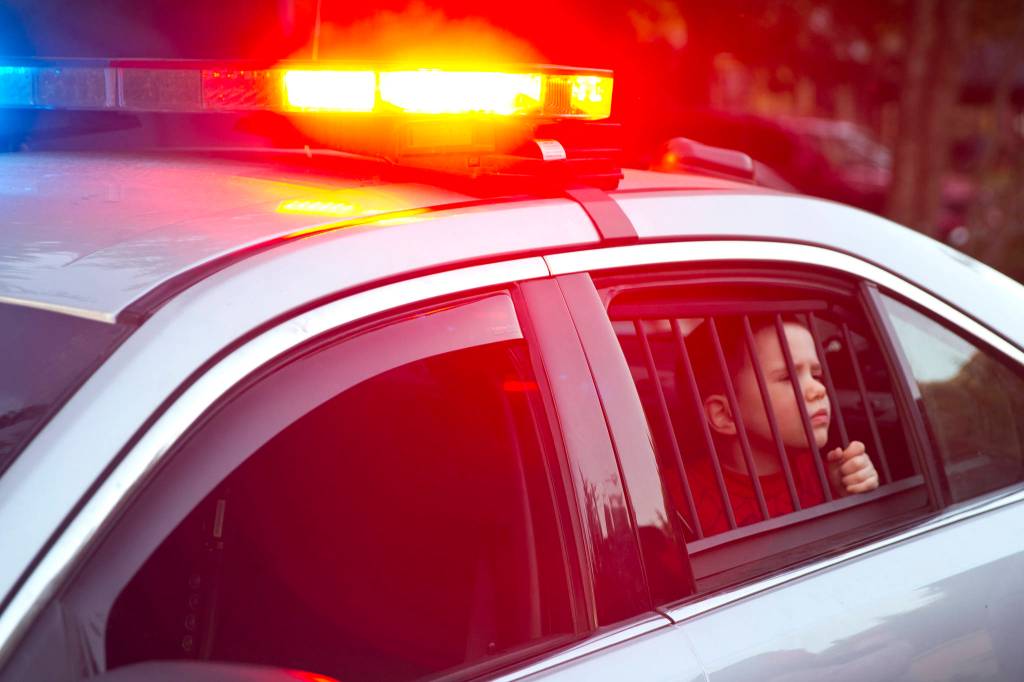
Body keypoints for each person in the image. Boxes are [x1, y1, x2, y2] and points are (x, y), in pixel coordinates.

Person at [680, 315, 879, 536]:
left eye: (816, 374)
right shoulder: (676, 500)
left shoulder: (823, 475)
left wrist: (848, 490)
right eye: (787, 377)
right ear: (725, 415)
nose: (818, 390)